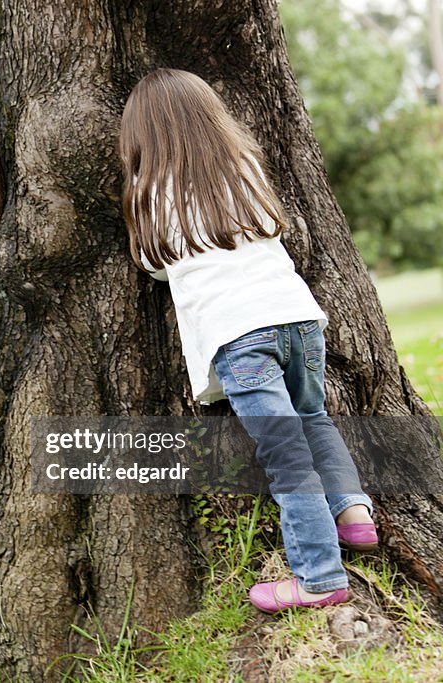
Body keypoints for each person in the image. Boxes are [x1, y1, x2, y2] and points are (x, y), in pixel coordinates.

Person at [119, 69, 378, 614]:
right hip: (298, 321)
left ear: (142, 137)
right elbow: (273, 230)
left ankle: (318, 577)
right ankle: (354, 514)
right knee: (315, 420)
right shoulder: (244, 170)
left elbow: (155, 266)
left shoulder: (150, 195)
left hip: (239, 336)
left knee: (286, 460)